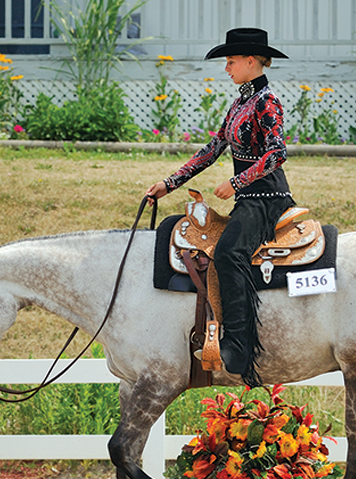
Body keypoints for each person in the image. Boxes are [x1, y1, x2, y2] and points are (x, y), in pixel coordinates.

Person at [146, 27, 294, 388]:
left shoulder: (267, 101)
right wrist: (170, 183)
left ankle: (238, 349)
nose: (226, 68)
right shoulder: (241, 102)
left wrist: (237, 182)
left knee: (229, 253)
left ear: (250, 61)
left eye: (230, 61)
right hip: (249, 199)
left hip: (267, 200)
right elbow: (212, 150)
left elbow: (277, 153)